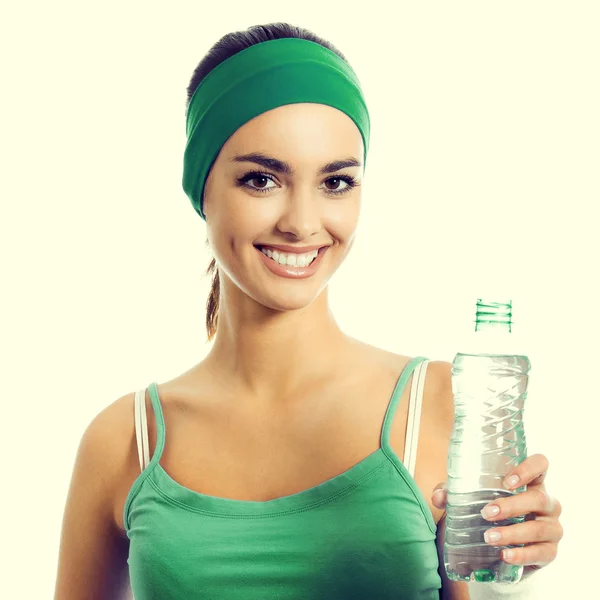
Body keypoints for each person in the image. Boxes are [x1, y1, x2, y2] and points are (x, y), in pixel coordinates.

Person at [54, 22, 563, 600]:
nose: (301, 222)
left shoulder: (439, 404)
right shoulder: (126, 440)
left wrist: (513, 575)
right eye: (262, 179)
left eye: (336, 181)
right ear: (202, 188)